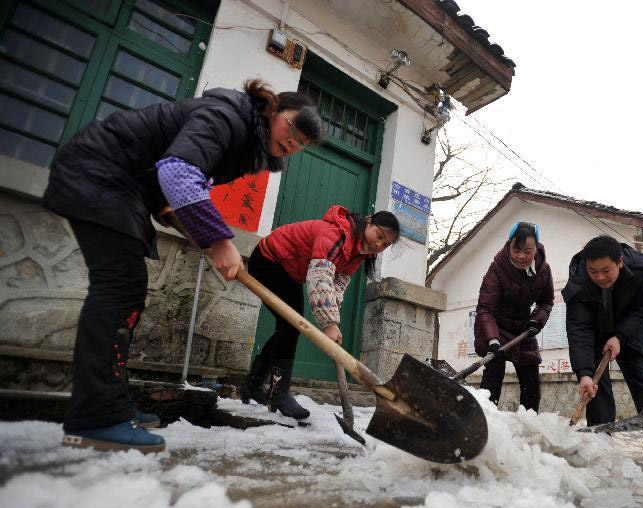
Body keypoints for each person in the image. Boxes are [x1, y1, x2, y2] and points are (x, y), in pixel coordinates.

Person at [44, 79, 325, 453]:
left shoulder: (242, 142)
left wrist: (168, 208)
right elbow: (178, 171)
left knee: (125, 293)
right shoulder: (227, 115)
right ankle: (97, 415)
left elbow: (171, 174)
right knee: (119, 289)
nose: (294, 143)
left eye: (301, 144)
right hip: (99, 173)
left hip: (117, 182)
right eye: (292, 129)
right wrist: (219, 239)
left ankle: (107, 405)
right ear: (271, 109)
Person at [240, 208, 400, 417]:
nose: (379, 245)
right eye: (379, 236)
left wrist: (334, 321)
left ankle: (253, 386)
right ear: (368, 222)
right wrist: (329, 323)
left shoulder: (358, 253)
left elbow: (337, 284)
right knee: (291, 325)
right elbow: (320, 277)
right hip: (269, 260)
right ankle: (278, 393)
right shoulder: (335, 234)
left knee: (287, 327)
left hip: (289, 272)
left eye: (385, 244)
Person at [563, 235, 643, 461]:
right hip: (594, 333)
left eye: (606, 270)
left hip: (629, 329)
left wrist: (620, 337)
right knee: (595, 384)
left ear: (620, 262)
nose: (600, 277)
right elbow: (579, 328)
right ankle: (600, 438)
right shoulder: (579, 281)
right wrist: (583, 373)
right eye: (593, 271)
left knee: (642, 379)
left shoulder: (639, 269)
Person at [474, 222, 553, 412]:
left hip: (523, 329)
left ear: (536, 249)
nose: (521, 256)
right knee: (494, 371)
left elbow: (546, 302)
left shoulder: (543, 270)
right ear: (509, 245)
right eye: (516, 250)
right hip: (496, 327)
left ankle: (529, 422)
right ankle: (485, 417)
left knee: (531, 379)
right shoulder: (497, 267)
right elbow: (485, 308)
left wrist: (537, 321)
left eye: (527, 251)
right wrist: (492, 339)